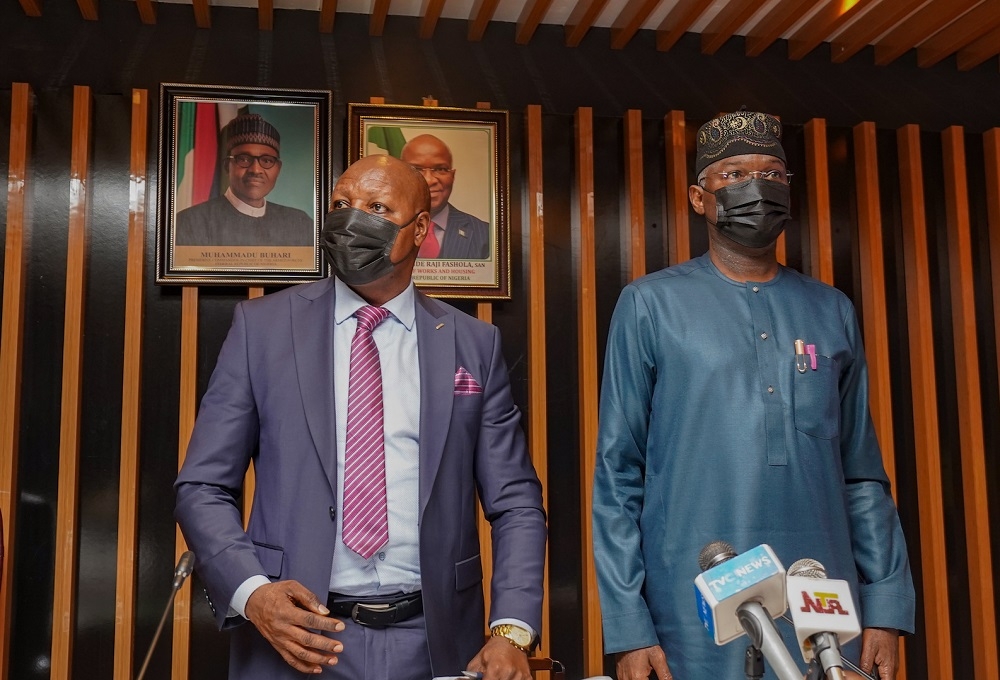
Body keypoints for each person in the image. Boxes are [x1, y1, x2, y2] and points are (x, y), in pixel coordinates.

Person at [175, 154, 546, 680]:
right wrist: (253, 595)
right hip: (297, 638)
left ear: (419, 229)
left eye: (375, 207)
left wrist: (511, 629)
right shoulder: (262, 329)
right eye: (341, 204)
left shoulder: (474, 344)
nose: (352, 220)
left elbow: (516, 503)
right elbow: (202, 486)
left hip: (438, 641)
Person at [591, 110, 915, 680]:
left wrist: (886, 606)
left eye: (772, 174)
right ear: (699, 197)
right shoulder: (650, 306)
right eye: (734, 174)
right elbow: (618, 476)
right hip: (690, 615)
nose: (755, 188)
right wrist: (627, 623)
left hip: (824, 605)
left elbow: (862, 475)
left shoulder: (831, 310)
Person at [174, 113, 314, 247]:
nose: (255, 170)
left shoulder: (300, 223)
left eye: (266, 160)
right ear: (227, 166)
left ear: (278, 168)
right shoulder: (189, 222)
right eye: (244, 159)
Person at [399, 133, 490, 260]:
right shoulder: (379, 230)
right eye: (417, 169)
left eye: (440, 169)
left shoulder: (485, 235)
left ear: (452, 176)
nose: (429, 180)